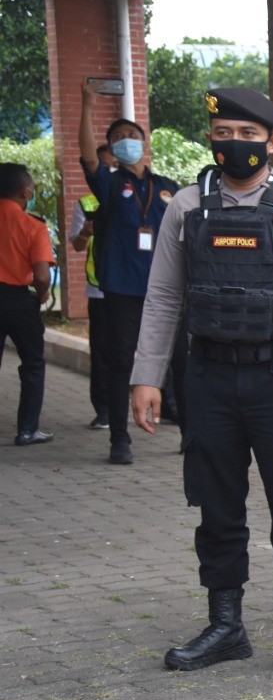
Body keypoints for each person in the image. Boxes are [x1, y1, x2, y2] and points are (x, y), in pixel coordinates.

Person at [129, 88, 273, 676]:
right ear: (212, 138)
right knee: (216, 508)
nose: (235, 144)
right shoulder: (187, 208)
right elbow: (165, 296)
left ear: (272, 142)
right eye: (224, 133)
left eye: (249, 135)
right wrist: (146, 375)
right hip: (209, 378)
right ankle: (225, 626)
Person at [80, 78, 180, 465]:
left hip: (167, 289)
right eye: (119, 136)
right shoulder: (108, 183)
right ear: (114, 149)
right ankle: (119, 440)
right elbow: (88, 156)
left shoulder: (168, 187)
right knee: (122, 361)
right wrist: (87, 106)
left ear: (144, 142)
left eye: (132, 134)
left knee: (181, 360)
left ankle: (190, 433)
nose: (126, 140)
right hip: (123, 288)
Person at [0, 163, 56, 446]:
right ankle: (27, 430)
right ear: (25, 191)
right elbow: (42, 275)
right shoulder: (33, 225)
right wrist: (42, 294)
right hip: (19, 300)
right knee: (33, 363)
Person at [68, 144, 117, 429]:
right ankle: (105, 411)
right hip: (100, 291)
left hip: (137, 289)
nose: (108, 172)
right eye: (103, 167)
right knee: (102, 352)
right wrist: (87, 230)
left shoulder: (136, 197)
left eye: (113, 167)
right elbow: (76, 245)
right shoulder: (85, 204)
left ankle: (168, 405)